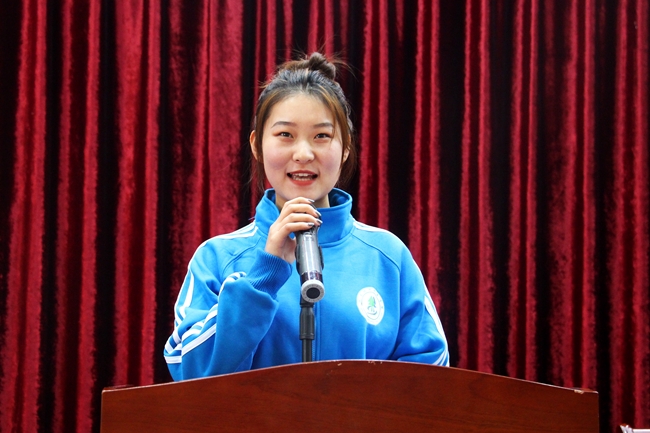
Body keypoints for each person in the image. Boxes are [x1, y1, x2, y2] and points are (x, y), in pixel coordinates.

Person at [164, 52, 449, 380]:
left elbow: (431, 377)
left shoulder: (388, 256)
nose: (303, 154)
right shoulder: (217, 257)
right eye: (285, 135)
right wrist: (264, 275)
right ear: (257, 145)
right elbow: (189, 374)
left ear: (345, 148)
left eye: (321, 136)